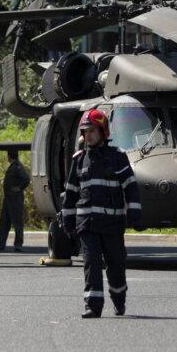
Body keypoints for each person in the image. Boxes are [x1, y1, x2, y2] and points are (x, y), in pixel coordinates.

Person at [62, 109, 143, 318]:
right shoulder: (79, 160)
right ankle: (93, 305)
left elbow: (131, 186)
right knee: (91, 263)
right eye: (85, 131)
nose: (87, 135)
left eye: (92, 131)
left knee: (116, 265)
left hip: (112, 224)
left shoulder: (117, 158)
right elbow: (71, 192)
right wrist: (67, 218)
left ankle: (119, 298)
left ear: (103, 131)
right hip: (87, 224)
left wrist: (135, 213)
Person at [0, 149, 31, 252]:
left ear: (9, 156)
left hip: (15, 200)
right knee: (4, 222)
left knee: (17, 222)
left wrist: (19, 188)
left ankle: (18, 245)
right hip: (8, 199)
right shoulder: (14, 166)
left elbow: (26, 179)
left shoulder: (17, 167)